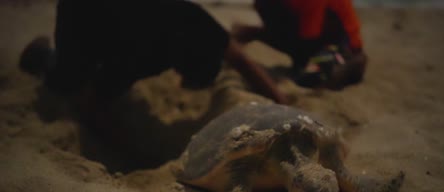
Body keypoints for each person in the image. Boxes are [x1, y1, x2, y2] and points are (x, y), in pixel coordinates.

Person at [20, 0, 288, 116]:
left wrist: (282, 103)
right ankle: (42, 54)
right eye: (190, 80)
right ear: (181, 67)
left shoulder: (198, 22)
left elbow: (242, 61)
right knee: (67, 83)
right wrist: (127, 155)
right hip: (83, 14)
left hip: (132, 16)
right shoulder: (142, 56)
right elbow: (93, 104)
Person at [232, 0, 368, 89]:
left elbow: (308, 41)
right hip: (311, 38)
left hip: (343, 45)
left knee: (313, 76)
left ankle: (343, 63)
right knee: (265, 5)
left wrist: (259, 34)